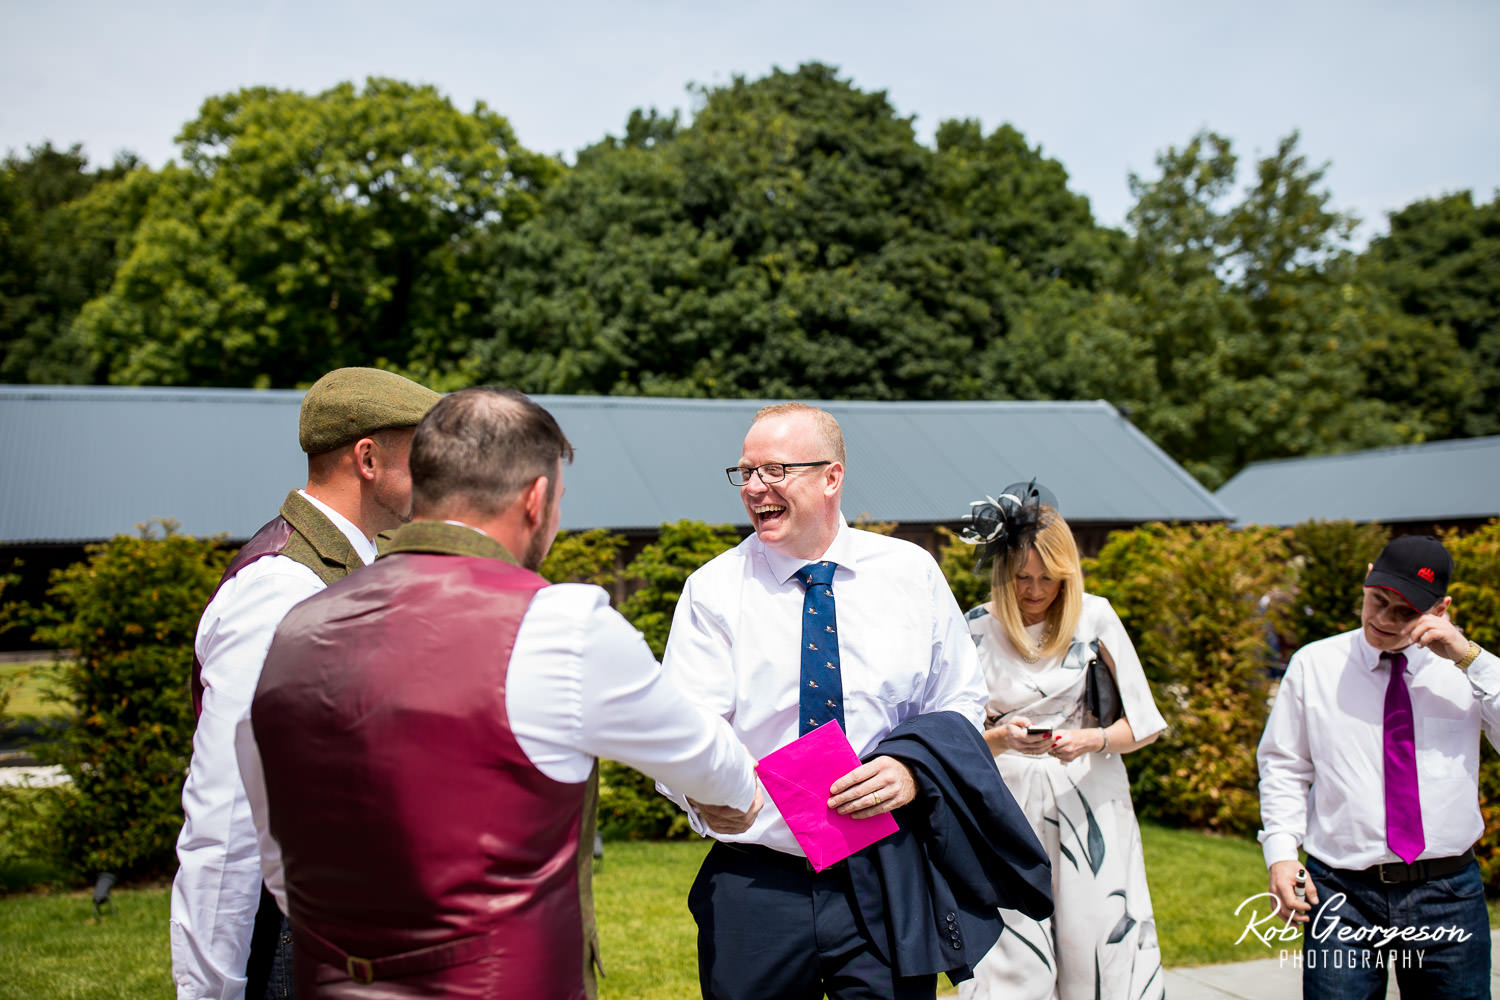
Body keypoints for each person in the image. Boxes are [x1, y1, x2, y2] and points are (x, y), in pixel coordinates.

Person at [240, 386, 761, 999]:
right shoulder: (562, 624)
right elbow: (715, 767)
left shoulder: (294, 623)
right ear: (536, 499)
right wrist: (741, 795)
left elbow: (276, 853)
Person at [660, 403, 1051, 1000]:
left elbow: (960, 701)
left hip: (889, 870)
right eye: (746, 473)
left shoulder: (910, 573)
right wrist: (698, 794)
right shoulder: (713, 590)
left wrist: (912, 771)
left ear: (831, 477)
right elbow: (684, 730)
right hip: (758, 879)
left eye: (774, 470)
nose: (755, 488)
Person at [171, 367, 440, 1000]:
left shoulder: (363, 562)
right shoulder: (278, 590)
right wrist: (209, 992)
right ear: (368, 458)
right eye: (422, 451)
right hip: (295, 943)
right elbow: (228, 815)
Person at [1257, 535, 1498, 998]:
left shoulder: (1467, 671)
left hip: (1448, 892)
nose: (1384, 620)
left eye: (1405, 612)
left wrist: (1469, 657)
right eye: (1378, 600)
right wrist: (1282, 853)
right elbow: (1285, 766)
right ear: (1368, 578)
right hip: (1341, 893)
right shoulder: (1315, 665)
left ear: (1440, 609)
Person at [955, 482, 1167, 1000]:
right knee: (1009, 953)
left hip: (1087, 798)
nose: (1034, 590)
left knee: (1096, 944)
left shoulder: (1095, 617)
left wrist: (1091, 739)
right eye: (1022, 577)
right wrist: (1001, 738)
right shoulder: (976, 628)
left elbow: (1145, 723)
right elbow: (954, 741)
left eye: (1048, 578)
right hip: (1003, 803)